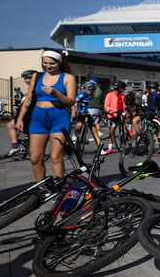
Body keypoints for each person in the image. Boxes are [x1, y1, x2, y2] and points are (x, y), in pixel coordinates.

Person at [14, 50, 77, 181]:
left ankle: (58, 189)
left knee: (55, 157)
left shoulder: (68, 77)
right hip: (37, 119)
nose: (48, 66)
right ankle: (41, 188)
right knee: (35, 158)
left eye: (52, 63)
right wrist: (20, 118)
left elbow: (70, 101)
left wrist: (57, 93)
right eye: (45, 63)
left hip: (59, 118)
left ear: (60, 62)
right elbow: (29, 98)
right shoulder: (37, 76)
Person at [72, 81, 103, 148]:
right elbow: (75, 102)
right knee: (79, 125)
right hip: (79, 114)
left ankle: (100, 149)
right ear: (90, 89)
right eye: (94, 89)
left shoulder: (88, 96)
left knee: (94, 130)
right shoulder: (81, 94)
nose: (94, 91)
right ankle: (74, 135)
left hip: (86, 114)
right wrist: (74, 111)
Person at [103, 81, 126, 155]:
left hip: (121, 114)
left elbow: (124, 105)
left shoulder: (123, 95)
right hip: (113, 115)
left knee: (129, 119)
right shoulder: (110, 95)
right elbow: (106, 104)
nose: (123, 89)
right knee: (111, 132)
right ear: (118, 88)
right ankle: (110, 148)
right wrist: (109, 110)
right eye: (122, 88)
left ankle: (130, 131)